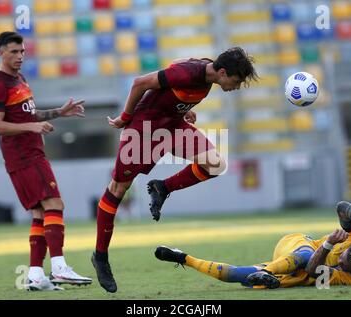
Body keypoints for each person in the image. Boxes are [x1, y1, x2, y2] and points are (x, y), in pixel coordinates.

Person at [92, 47, 259, 293]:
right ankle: (101, 257)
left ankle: (163, 187)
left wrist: (182, 106)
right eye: (235, 81)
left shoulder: (206, 70)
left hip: (172, 126)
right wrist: (124, 118)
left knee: (216, 164)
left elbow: (176, 64)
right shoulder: (187, 74)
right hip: (145, 129)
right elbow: (140, 83)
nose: (236, 87)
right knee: (118, 189)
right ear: (223, 72)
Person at [0, 31, 92, 291]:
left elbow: (31, 114)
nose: (20, 56)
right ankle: (59, 268)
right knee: (56, 204)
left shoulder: (20, 79)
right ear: (0, 53)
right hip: (24, 156)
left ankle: (35, 275)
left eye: (22, 51)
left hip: (29, 153)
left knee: (40, 212)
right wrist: (32, 128)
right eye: (14, 52)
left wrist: (60, 112)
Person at [155, 201, 351, 289]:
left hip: (295, 274)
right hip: (297, 245)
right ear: (350, 247)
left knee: (236, 276)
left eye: (342, 264)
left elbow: (313, 273)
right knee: (305, 255)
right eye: (342, 256)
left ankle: (182, 257)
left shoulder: (349, 279)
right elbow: (343, 207)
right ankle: (267, 273)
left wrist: (329, 247)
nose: (340, 261)